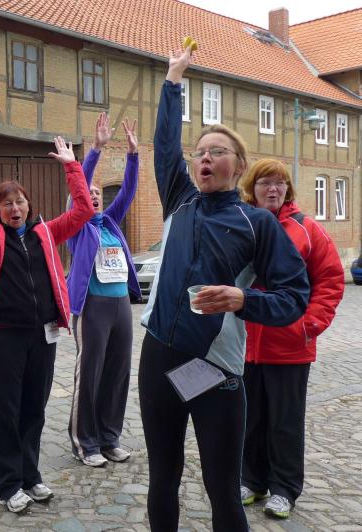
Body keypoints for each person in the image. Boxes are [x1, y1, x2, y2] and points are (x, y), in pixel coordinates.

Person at [139, 44, 310, 531]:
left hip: (214, 367)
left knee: (222, 488)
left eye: (217, 152)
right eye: (200, 153)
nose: (205, 159)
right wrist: (173, 82)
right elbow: (165, 146)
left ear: (238, 165)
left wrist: (243, 299)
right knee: (162, 477)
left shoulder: (257, 223)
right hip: (159, 356)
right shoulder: (180, 200)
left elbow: (294, 295)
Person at [0, 134, 94, 513]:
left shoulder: (45, 233)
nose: (15, 208)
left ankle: (30, 476)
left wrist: (71, 167)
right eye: (7, 203)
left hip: (42, 336)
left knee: (34, 408)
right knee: (6, 410)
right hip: (1, 337)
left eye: (20, 201)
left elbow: (83, 211)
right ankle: (8, 484)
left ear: (29, 205)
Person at [237, 159, 344, 519]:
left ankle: (284, 489)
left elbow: (330, 280)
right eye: (265, 182)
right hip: (244, 346)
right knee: (250, 418)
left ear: (288, 189)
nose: (273, 189)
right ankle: (251, 480)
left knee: (285, 422)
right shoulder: (242, 223)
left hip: (290, 347)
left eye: (280, 183)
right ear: (252, 188)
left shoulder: (307, 229)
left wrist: (307, 326)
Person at [66, 113, 140, 468]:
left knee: (118, 373)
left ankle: (110, 438)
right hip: (92, 306)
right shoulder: (78, 226)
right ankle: (86, 442)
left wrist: (134, 156)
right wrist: (95, 148)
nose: (94, 196)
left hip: (121, 305)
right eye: (89, 193)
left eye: (98, 193)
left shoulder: (110, 223)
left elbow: (127, 192)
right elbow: (80, 187)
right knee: (91, 373)